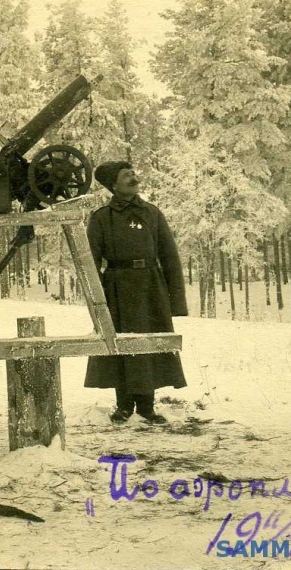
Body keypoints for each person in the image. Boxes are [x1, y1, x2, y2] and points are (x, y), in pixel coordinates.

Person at [84, 161, 188, 424]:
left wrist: (175, 299)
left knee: (148, 344)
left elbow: (170, 257)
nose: (133, 178)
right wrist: (96, 302)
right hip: (116, 289)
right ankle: (123, 406)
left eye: (133, 174)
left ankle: (147, 406)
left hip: (151, 288)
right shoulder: (100, 218)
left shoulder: (152, 213)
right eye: (125, 175)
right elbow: (90, 263)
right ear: (113, 185)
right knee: (121, 344)